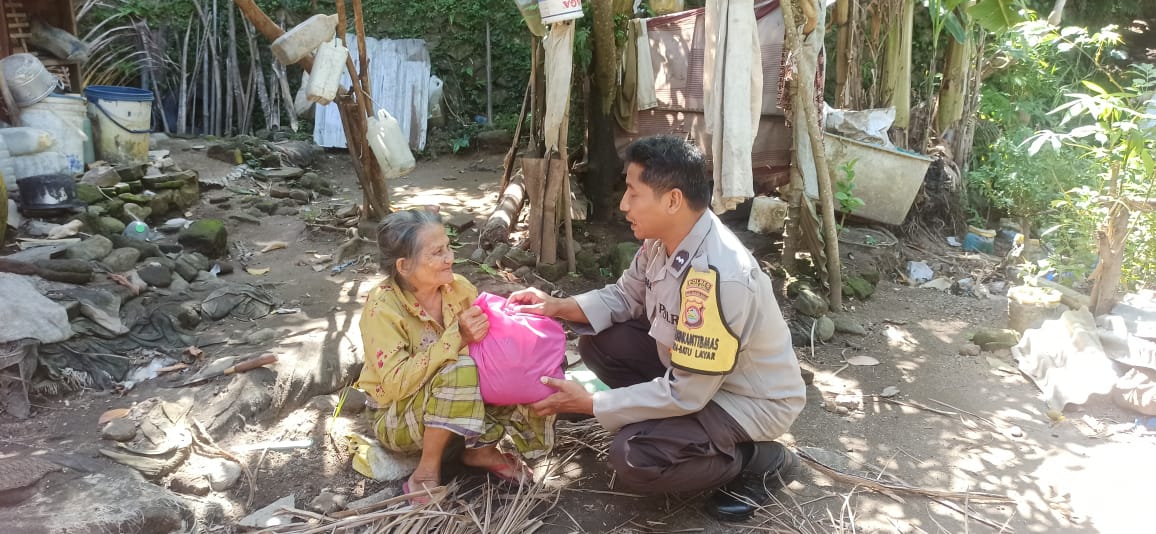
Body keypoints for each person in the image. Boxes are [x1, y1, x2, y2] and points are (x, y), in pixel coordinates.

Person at [507, 136, 806, 521]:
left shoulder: (718, 276)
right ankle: (664, 425)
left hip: (744, 399)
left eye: (633, 192)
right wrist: (555, 306)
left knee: (633, 458)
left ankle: (761, 460)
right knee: (600, 339)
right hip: (693, 375)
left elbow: (688, 393)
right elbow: (624, 296)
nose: (623, 204)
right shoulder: (663, 239)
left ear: (672, 200)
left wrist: (593, 404)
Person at [356, 208, 553, 502]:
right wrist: (456, 338)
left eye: (448, 247)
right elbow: (396, 384)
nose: (450, 257)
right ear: (404, 266)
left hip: (461, 410)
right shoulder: (382, 306)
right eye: (436, 252)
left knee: (519, 365)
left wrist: (513, 330)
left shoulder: (458, 288)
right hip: (398, 419)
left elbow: (489, 350)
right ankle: (425, 470)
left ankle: (480, 452)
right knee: (459, 367)